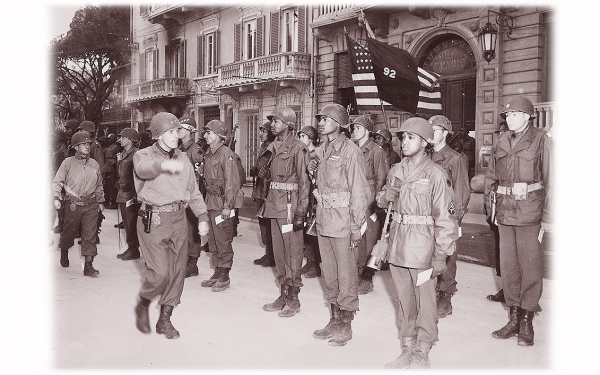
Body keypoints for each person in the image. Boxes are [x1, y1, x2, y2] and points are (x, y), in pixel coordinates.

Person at [376, 117, 458, 369]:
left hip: (423, 247)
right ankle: (407, 346)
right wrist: (383, 196)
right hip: (399, 244)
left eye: (411, 137)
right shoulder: (396, 170)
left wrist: (441, 254)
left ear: (424, 143)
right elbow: (381, 202)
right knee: (404, 300)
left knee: (426, 302)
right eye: (403, 137)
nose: (405, 142)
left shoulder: (435, 174)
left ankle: (423, 349)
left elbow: (445, 218)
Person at [133, 112, 210, 340]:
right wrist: (164, 164)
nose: (176, 135)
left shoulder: (184, 159)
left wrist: (203, 217)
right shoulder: (142, 155)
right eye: (170, 131)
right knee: (161, 274)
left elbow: (193, 192)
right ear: (158, 135)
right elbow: (143, 170)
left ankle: (165, 319)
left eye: (178, 130)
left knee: (177, 273)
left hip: (179, 219)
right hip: (154, 219)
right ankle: (143, 303)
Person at [484, 96, 552, 347]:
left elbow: (552, 178)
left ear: (528, 116)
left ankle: (526, 320)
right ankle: (513, 317)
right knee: (509, 268)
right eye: (507, 115)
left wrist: (548, 216)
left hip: (530, 212)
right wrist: (490, 210)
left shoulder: (540, 139)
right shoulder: (500, 141)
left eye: (514, 114)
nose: (509, 118)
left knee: (530, 268)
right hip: (505, 213)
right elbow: (491, 177)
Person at [309, 103, 369, 346]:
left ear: (340, 123)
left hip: (344, 222)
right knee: (330, 273)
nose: (321, 122)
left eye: (326, 118)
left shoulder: (350, 151)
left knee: (346, 275)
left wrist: (357, 226)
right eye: (320, 119)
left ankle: (346, 322)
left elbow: (359, 191)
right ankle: (334, 318)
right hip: (324, 220)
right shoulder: (323, 150)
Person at [260, 107, 310, 318]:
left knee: (293, 252)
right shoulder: (272, 147)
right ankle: (283, 292)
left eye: (277, 121)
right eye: (272, 121)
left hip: (290, 207)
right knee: (279, 253)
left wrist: (302, 210)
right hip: (274, 205)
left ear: (289, 125)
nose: (273, 124)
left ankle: (294, 297)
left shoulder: (299, 148)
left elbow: (304, 181)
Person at [428, 115, 471, 318]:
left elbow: (462, 192)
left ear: (445, 133)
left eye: (435, 129)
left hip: (446, 216)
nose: (430, 133)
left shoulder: (456, 159)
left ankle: (445, 296)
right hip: (426, 215)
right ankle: (430, 293)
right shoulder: (424, 157)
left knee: (447, 257)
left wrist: (456, 220)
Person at [52, 132, 105, 276]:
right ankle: (64, 251)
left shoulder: (94, 164)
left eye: (89, 144)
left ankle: (88, 265)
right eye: (84, 144)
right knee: (69, 233)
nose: (88, 147)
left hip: (90, 204)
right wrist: (56, 197)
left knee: (90, 234)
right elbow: (58, 181)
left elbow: (99, 184)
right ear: (76, 147)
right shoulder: (67, 163)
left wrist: (100, 201)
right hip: (72, 205)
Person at [201, 120, 242, 292]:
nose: (205, 136)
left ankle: (225, 274)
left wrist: (228, 206)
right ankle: (217, 271)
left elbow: (232, 182)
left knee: (223, 239)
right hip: (210, 202)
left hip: (222, 204)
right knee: (213, 240)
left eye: (209, 133)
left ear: (219, 136)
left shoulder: (226, 154)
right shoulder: (209, 153)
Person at [350, 115, 389, 295]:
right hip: (354, 195)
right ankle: (356, 272)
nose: (354, 131)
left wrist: (377, 203)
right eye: (354, 128)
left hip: (370, 196)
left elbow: (382, 178)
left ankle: (367, 277)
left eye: (358, 128)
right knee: (355, 235)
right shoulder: (351, 148)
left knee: (370, 238)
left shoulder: (376, 151)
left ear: (367, 130)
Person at [178, 116, 207, 278]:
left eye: (181, 129)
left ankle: (192, 263)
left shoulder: (195, 151)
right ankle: (185, 260)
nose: (178, 131)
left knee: (192, 230)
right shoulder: (180, 149)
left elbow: (198, 176)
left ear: (190, 131)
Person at [296, 125, 322, 278]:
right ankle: (310, 261)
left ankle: (315, 265)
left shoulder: (316, 155)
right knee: (306, 231)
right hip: (305, 195)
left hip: (315, 196)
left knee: (314, 232)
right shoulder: (302, 153)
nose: (300, 140)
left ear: (311, 138)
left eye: (303, 137)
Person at [250, 120, 276, 268]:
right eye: (260, 130)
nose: (261, 133)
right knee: (263, 225)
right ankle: (268, 253)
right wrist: (254, 170)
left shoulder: (272, 148)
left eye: (264, 131)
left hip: (268, 191)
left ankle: (272, 255)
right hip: (260, 190)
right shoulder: (263, 147)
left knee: (269, 224)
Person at [115, 128, 141, 261]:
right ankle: (131, 247)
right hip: (123, 193)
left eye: (123, 137)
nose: (120, 139)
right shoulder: (124, 153)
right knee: (126, 223)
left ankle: (134, 249)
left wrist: (137, 194)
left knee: (131, 223)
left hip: (131, 194)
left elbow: (139, 176)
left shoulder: (136, 154)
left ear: (130, 140)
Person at [103, 133, 120, 209]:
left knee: (113, 186)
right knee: (108, 186)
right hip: (108, 168)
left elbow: (117, 158)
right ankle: (110, 200)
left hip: (112, 170)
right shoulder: (109, 147)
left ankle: (114, 202)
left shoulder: (116, 147)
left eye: (109, 139)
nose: (108, 140)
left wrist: (115, 168)